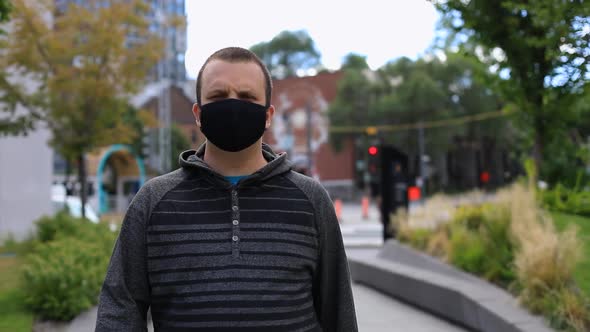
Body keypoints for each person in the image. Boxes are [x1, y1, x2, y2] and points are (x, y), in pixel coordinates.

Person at [95, 47, 358, 331]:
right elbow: (120, 309)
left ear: (268, 115)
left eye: (246, 97)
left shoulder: (311, 200)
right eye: (218, 96)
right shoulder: (153, 201)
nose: (233, 105)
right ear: (198, 113)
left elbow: (338, 312)